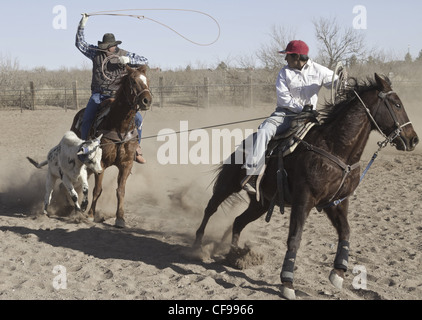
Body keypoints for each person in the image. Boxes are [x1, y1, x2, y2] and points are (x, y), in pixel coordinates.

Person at [242, 40, 337, 194]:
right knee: (264, 131)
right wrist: (302, 108)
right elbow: (284, 99)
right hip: (284, 114)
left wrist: (340, 82)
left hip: (308, 118)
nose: (285, 59)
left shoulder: (319, 70)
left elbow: (334, 82)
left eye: (287, 56)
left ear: (297, 57)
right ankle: (252, 174)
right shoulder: (284, 73)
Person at [75, 14, 149, 164]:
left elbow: (145, 61)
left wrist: (129, 60)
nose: (108, 49)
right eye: (105, 47)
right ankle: (86, 147)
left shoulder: (124, 54)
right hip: (98, 95)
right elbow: (80, 44)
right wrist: (81, 25)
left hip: (119, 96)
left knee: (138, 118)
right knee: (87, 118)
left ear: (115, 45)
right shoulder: (96, 53)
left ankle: (136, 148)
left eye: (109, 47)